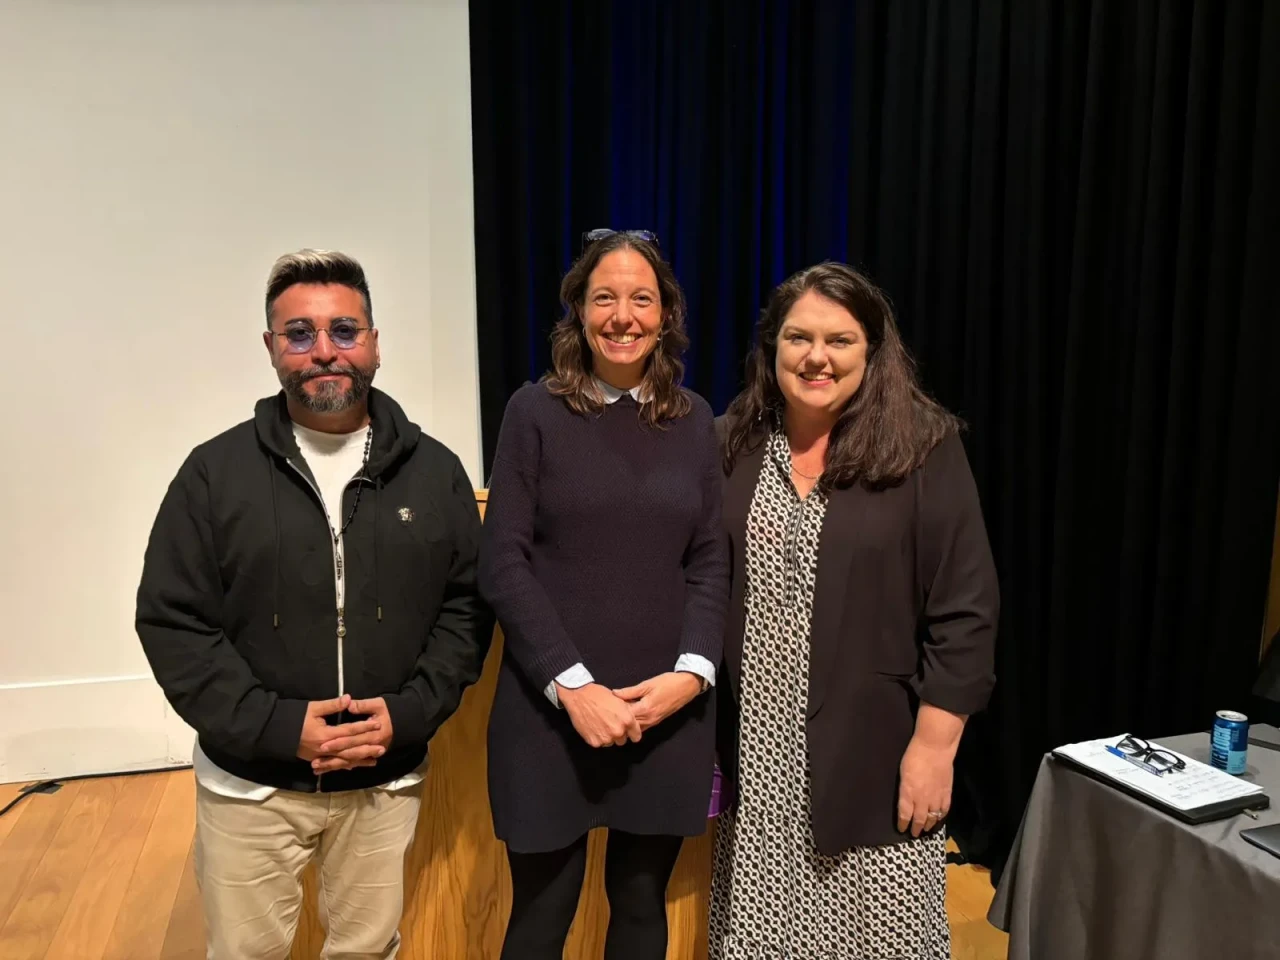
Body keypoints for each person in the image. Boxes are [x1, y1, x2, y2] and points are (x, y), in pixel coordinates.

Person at [135, 249, 493, 959]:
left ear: (375, 344)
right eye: (299, 334)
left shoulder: (436, 473)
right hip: (250, 784)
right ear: (271, 349)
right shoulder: (214, 474)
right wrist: (275, 726)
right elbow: (174, 622)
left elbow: (466, 608)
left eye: (343, 330)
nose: (324, 351)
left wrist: (413, 711)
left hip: (383, 779)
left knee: (366, 950)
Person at [709, 261, 999, 960]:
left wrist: (935, 749)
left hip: (874, 757)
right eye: (798, 338)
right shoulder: (730, 445)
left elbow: (966, 609)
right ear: (771, 348)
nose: (816, 357)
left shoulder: (923, 448)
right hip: (757, 766)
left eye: (839, 340)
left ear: (872, 350)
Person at [480, 229, 729, 960]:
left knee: (642, 907)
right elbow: (503, 564)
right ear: (579, 314)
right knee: (541, 915)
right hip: (550, 715)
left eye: (641, 298)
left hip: (666, 713)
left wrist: (691, 675)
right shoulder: (534, 413)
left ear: (666, 314)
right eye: (605, 297)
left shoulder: (694, 422)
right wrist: (575, 688)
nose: (623, 315)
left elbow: (711, 560)